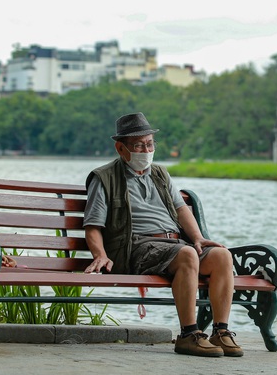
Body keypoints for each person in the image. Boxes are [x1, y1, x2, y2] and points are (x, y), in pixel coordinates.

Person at [82, 112, 242, 358]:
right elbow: (93, 225)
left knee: (222, 256)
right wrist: (100, 254)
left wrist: (198, 237)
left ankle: (221, 331)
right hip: (136, 247)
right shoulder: (104, 178)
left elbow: (180, 209)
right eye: (138, 145)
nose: (146, 150)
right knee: (187, 253)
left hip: (174, 245)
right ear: (120, 148)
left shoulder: (159, 174)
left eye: (149, 144)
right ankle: (189, 334)